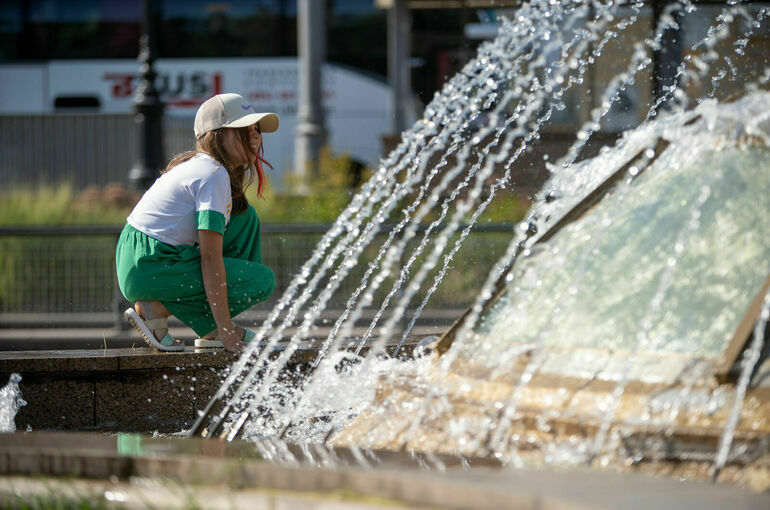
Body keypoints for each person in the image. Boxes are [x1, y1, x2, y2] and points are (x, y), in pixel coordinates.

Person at [116, 93, 277, 354]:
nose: (256, 136)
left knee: (244, 218)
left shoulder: (204, 168)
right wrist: (228, 333)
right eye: (244, 129)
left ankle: (207, 327)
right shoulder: (213, 175)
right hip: (151, 265)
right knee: (262, 281)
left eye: (256, 129)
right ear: (218, 135)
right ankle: (159, 309)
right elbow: (210, 258)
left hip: (140, 260)